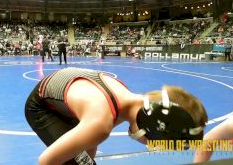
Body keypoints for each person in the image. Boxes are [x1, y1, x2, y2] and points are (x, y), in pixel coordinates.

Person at [24, 67, 208, 165]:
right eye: (155, 142)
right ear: (153, 125)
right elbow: (47, 161)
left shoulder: (124, 102)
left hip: (67, 100)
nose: (150, 146)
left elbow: (89, 142)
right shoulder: (101, 121)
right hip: (43, 106)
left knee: (83, 160)